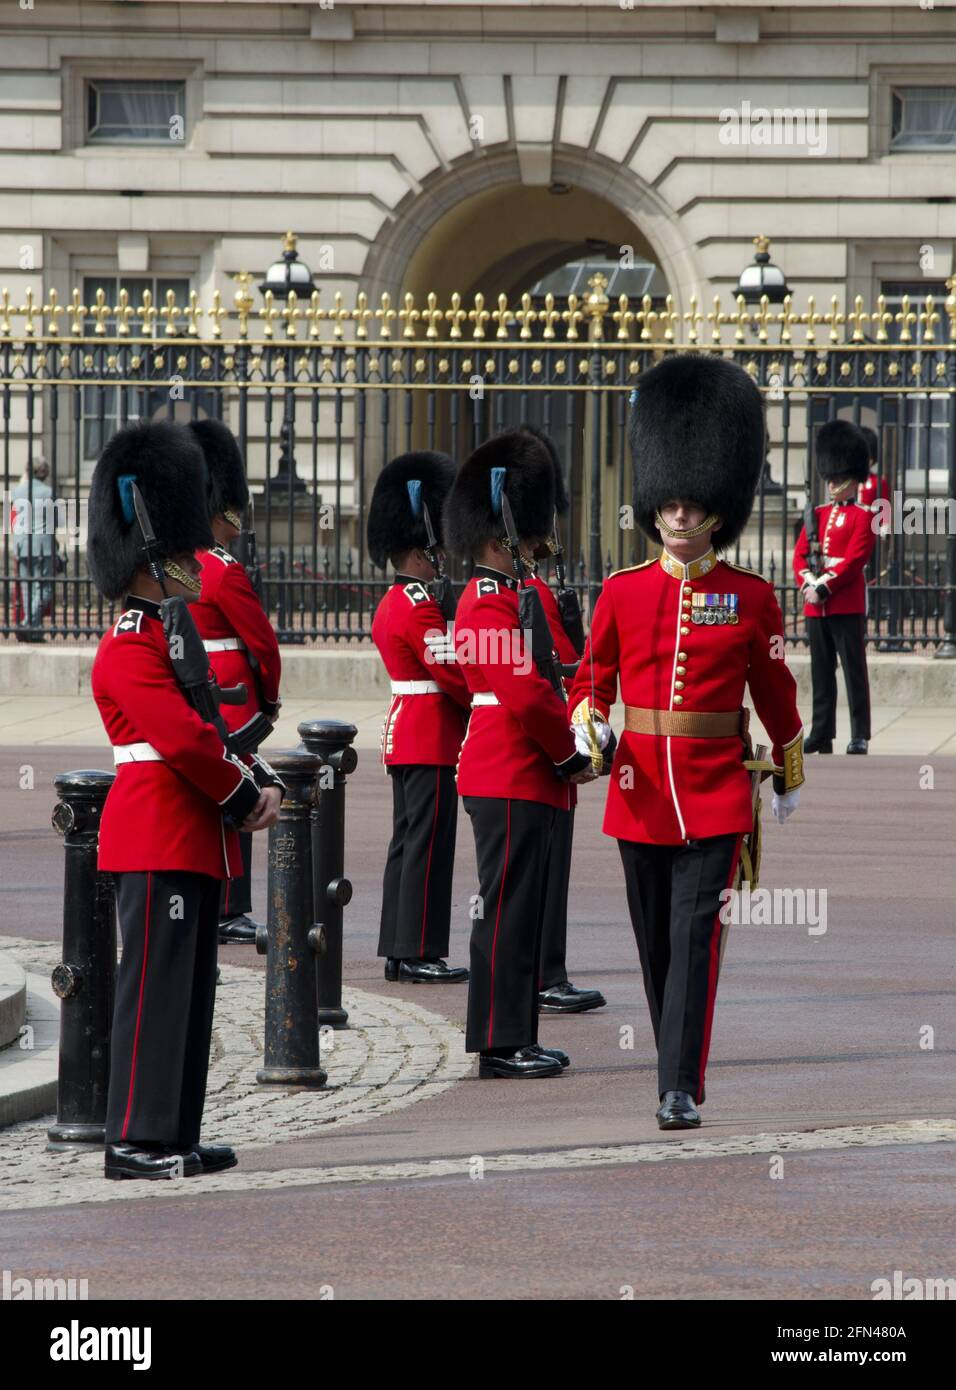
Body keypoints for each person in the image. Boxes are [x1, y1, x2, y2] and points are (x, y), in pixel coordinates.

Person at [567, 356, 805, 1128]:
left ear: (716, 509)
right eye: (667, 502)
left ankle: (676, 1085)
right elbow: (590, 680)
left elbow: (774, 691)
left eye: (691, 503)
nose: (676, 515)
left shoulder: (750, 598)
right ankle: (677, 1059)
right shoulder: (623, 591)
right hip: (638, 794)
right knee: (659, 952)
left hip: (716, 793)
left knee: (695, 942)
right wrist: (588, 723)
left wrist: (789, 763)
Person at [87, 419, 282, 1181]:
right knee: (155, 995)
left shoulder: (167, 635)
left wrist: (247, 777)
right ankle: (132, 1139)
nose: (195, 564)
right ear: (151, 559)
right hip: (158, 836)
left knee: (191, 994)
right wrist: (242, 796)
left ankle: (172, 1131)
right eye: (179, 553)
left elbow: (210, 727)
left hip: (188, 835)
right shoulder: (129, 644)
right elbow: (180, 741)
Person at [445, 429, 596, 1080]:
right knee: (505, 911)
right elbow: (527, 695)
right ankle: (502, 1044)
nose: (535, 546)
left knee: (518, 911)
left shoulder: (506, 600)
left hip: (520, 773)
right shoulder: (484, 606)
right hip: (510, 772)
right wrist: (570, 753)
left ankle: (513, 1035)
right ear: (500, 535)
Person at [368, 450, 471, 983]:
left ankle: (399, 949)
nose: (443, 558)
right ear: (418, 550)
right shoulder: (418, 605)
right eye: (435, 550)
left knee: (407, 845)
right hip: (430, 735)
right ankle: (419, 952)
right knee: (427, 849)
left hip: (408, 732)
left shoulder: (393, 602)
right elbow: (451, 672)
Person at [521, 425, 606, 1016]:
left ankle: (543, 972)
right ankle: (546, 975)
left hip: (539, 736)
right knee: (544, 875)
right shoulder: (526, 591)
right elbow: (557, 671)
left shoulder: (526, 585)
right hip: (544, 745)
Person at [188, 418, 282, 945]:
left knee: (213, 785)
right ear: (226, 509)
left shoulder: (180, 565)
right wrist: (268, 699)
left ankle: (220, 901)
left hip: (199, 688)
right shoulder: (223, 569)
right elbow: (262, 644)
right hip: (232, 692)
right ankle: (231, 905)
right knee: (241, 784)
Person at [793, 419, 875, 755]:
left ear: (853, 480)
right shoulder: (818, 514)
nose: (832, 484)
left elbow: (854, 560)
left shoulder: (864, 516)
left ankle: (859, 735)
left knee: (854, 671)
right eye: (830, 478)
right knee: (821, 672)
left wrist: (823, 586)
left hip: (844, 604)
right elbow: (799, 556)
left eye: (838, 478)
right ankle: (822, 732)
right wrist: (808, 581)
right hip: (816, 605)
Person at [12, 456, 55, 639]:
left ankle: (33, 631)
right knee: (45, 588)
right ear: (44, 473)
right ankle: (29, 623)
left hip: (22, 545)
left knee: (27, 588)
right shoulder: (48, 491)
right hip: (42, 545)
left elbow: (12, 521)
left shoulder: (16, 491)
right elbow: (56, 521)